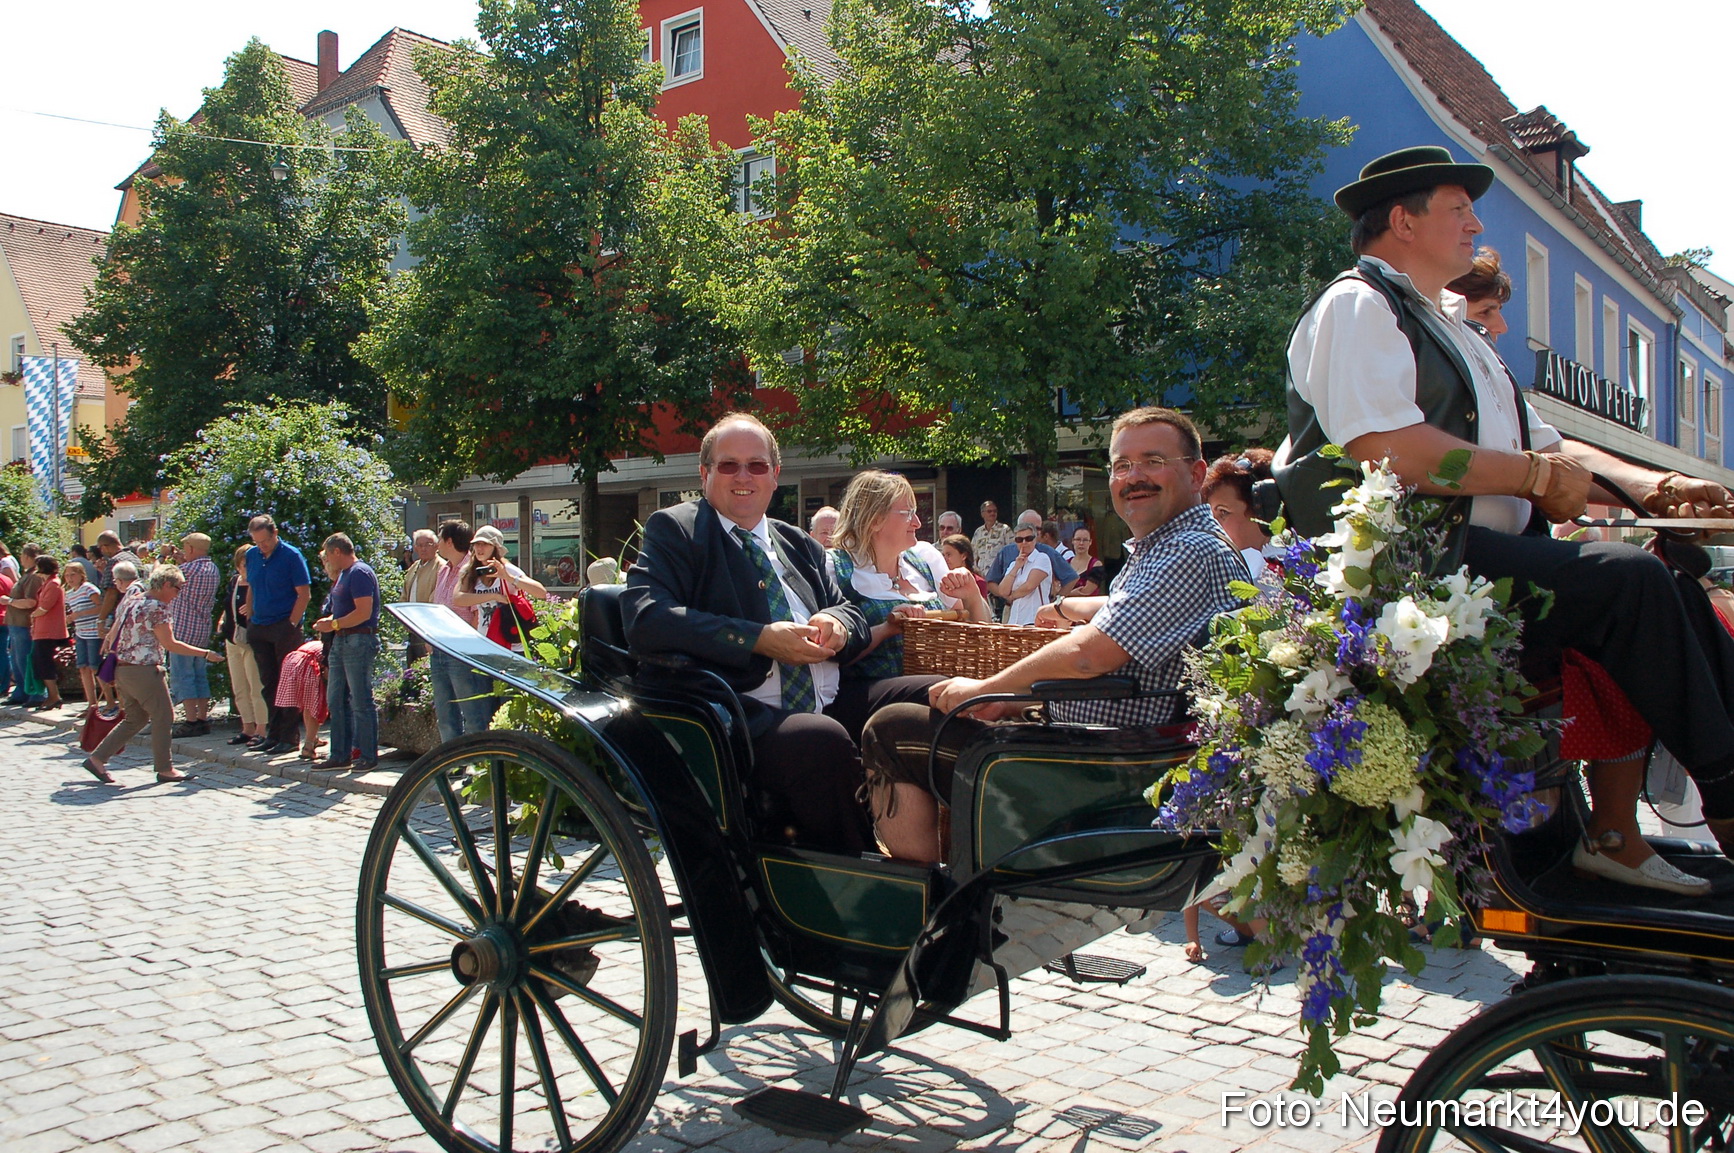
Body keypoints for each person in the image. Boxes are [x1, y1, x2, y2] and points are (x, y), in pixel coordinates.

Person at [1275, 144, 1734, 886]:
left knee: (1674, 584)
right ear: (1403, 219)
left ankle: (1621, 829)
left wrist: (1657, 485)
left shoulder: (1454, 327)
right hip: (1416, 573)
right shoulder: (1359, 305)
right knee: (1631, 583)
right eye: (1459, 209)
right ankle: (1725, 796)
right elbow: (1392, 449)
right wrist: (1532, 474)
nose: (1476, 224)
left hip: (1478, 563)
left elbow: (1552, 451)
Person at [861, 407, 1246, 863]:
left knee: (890, 731)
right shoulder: (1166, 548)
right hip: (1104, 743)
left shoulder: (1188, 550)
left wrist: (987, 688)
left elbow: (1090, 656)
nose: (1134, 476)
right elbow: (1121, 667)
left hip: (1110, 771)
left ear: (1197, 472)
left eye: (1153, 461)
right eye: (1122, 465)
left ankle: (933, 910)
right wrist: (1014, 701)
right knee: (937, 713)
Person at [624, 413, 930, 855]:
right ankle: (861, 888)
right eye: (729, 465)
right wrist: (758, 638)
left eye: (757, 465)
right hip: (741, 713)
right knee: (821, 740)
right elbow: (646, 617)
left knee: (937, 695)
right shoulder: (678, 529)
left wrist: (839, 626)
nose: (743, 477)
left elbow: (850, 610)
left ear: (775, 475)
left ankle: (941, 858)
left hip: (827, 697)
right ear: (705, 473)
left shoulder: (797, 542)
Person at [827, 470, 990, 683]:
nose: (917, 522)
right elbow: (829, 653)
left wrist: (972, 596)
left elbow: (983, 639)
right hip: (873, 696)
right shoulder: (834, 567)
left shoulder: (925, 559)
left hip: (939, 688)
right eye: (907, 513)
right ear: (875, 520)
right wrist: (886, 629)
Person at [82, 565, 224, 785]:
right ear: (166, 585)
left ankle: (97, 759)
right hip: (144, 671)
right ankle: (165, 769)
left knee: (135, 719)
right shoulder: (158, 607)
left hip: (123, 669)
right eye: (178, 589)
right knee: (164, 717)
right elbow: (170, 644)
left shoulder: (133, 599)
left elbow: (114, 633)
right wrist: (205, 653)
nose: (178, 594)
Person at [242, 515, 312, 756]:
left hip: (284, 626)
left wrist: (292, 623)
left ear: (274, 534)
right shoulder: (252, 556)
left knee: (288, 682)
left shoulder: (291, 556)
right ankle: (272, 734)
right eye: (257, 542)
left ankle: (289, 737)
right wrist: (250, 617)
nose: (262, 546)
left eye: (265, 541)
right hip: (260, 625)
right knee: (268, 683)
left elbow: (304, 593)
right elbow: (251, 587)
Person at [311, 533, 381, 771]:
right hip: (342, 640)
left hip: (359, 640)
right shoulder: (343, 575)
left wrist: (334, 624)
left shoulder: (359, 573)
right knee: (336, 699)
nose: (327, 560)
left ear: (337, 552)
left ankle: (369, 755)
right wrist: (329, 622)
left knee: (361, 699)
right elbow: (342, 612)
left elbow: (363, 612)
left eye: (328, 554)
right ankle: (340, 754)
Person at [453, 525, 548, 652]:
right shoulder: (469, 570)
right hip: (485, 639)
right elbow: (458, 599)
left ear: (496, 548)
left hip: (510, 641)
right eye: (477, 544)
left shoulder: (508, 569)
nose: (480, 549)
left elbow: (541, 592)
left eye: (485, 544)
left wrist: (508, 577)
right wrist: (494, 596)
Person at [166, 533, 220, 737]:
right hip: (202, 627)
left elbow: (161, 580)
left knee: (183, 675)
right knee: (200, 674)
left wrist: (164, 560)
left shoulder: (186, 570)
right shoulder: (212, 569)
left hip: (183, 629)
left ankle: (190, 720)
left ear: (190, 548)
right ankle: (202, 717)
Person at [216, 544, 268, 747]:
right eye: (244, 564)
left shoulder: (259, 583)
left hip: (252, 639)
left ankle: (261, 728)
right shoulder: (234, 582)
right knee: (239, 687)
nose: (247, 568)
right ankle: (247, 727)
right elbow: (228, 606)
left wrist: (254, 606)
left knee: (256, 686)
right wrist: (222, 620)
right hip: (233, 638)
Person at [1203, 452, 1278, 583]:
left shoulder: (1300, 571)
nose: (1213, 526)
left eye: (1223, 512)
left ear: (1262, 509)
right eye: (1211, 516)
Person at [985, 509, 1078, 598]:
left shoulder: (1047, 553)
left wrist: (1055, 603)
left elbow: (1071, 578)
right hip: (1011, 610)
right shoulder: (1006, 552)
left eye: (1038, 528)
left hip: (1039, 610)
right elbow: (990, 582)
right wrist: (1006, 597)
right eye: (1030, 527)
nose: (1036, 532)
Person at [5, 546, 46, 706]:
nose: (20, 559)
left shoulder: (34, 577)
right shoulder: (26, 575)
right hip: (15, 624)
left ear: (28, 556)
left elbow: (31, 601)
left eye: (22, 555)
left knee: (26, 660)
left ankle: (35, 693)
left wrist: (9, 601)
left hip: (24, 624)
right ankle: (21, 692)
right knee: (17, 660)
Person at [62, 559, 103, 712]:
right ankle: (91, 703)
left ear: (81, 575)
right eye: (67, 575)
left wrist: (80, 613)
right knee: (83, 667)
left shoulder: (89, 589)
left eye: (73, 574)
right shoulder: (69, 594)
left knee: (95, 666)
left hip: (93, 632)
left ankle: (109, 700)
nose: (70, 578)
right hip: (81, 632)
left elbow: (100, 607)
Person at [27, 556, 67, 710]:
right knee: (40, 663)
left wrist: (33, 615)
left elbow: (45, 607)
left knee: (45, 664)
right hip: (42, 630)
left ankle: (54, 696)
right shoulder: (47, 583)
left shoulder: (54, 584)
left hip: (49, 631)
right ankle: (52, 695)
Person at [994, 525, 1055, 626]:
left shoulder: (1041, 558)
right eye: (1019, 540)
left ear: (1035, 540)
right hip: (1014, 621)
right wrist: (1016, 568)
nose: (1024, 543)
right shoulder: (1014, 564)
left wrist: (1012, 596)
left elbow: (1030, 585)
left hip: (1034, 620)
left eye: (1028, 539)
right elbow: (1002, 591)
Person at [399, 529, 442, 662]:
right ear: (415, 548)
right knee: (413, 669)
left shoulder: (441, 567)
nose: (423, 548)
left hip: (429, 630)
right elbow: (404, 594)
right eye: (420, 545)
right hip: (412, 628)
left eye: (428, 544)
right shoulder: (414, 567)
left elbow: (436, 598)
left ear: (436, 546)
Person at [93, 531, 142, 630]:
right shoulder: (135, 558)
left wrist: (101, 619)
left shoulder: (115, 561)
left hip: (118, 615)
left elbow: (111, 593)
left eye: (100, 548)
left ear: (105, 547)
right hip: (135, 611)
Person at [939, 534, 991, 601]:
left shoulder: (978, 582)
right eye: (943, 555)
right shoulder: (942, 581)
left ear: (964, 556)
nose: (945, 559)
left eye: (949, 555)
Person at [970, 501, 1015, 576]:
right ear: (982, 514)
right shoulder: (978, 532)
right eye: (989, 511)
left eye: (995, 511)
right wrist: (975, 571)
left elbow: (1012, 551)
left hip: (998, 574)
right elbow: (973, 554)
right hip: (981, 574)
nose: (992, 513)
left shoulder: (1005, 529)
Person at [1068, 526, 1105, 596]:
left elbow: (1086, 592)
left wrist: (1065, 593)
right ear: (1073, 541)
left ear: (1090, 542)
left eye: (1085, 540)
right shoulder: (1066, 563)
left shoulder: (1096, 565)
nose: (1081, 543)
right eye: (1078, 539)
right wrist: (1071, 593)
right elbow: (1055, 589)